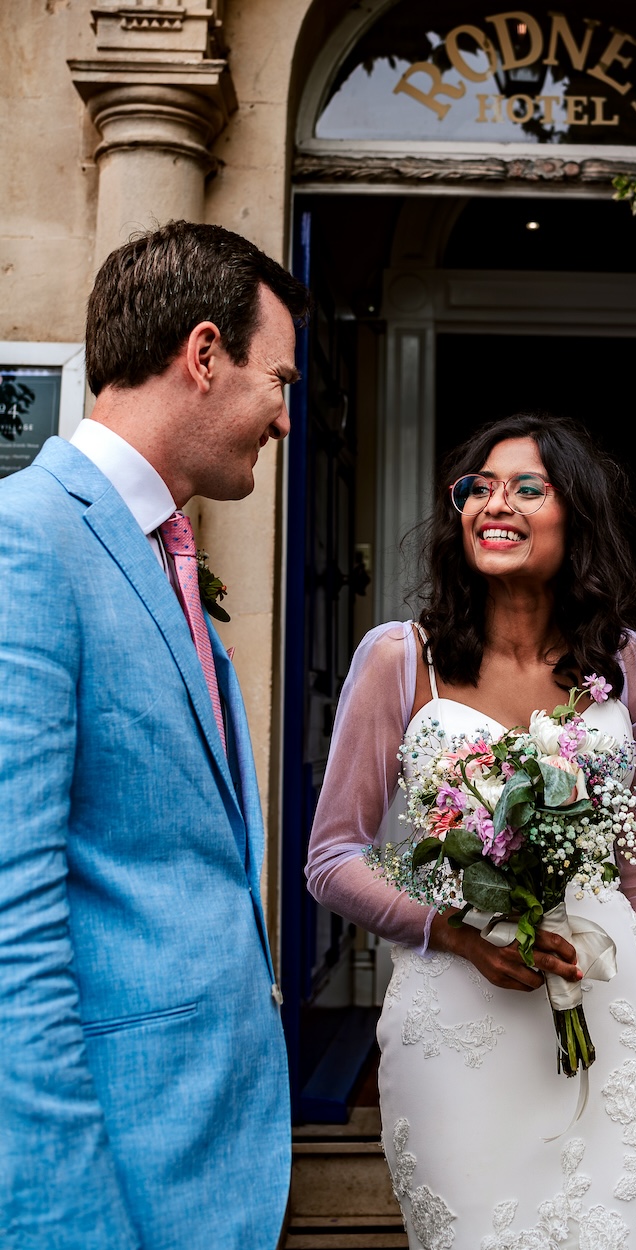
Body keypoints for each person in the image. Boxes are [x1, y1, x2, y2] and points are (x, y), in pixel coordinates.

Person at [305, 412, 636, 1246]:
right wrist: (456, 934)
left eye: (527, 487)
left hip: (613, 1019)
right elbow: (329, 859)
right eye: (478, 487)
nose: (494, 503)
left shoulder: (627, 666)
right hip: (455, 1030)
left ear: (578, 517)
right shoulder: (403, 660)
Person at [0, 221, 309, 1250]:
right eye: (281, 381)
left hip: (199, 1163)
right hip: (111, 1178)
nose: (283, 420)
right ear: (206, 352)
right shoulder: (26, 540)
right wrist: (66, 1222)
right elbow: (12, 917)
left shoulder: (163, 548)